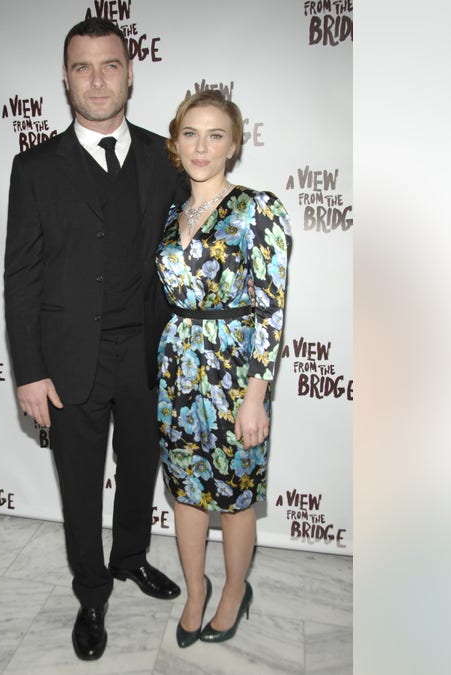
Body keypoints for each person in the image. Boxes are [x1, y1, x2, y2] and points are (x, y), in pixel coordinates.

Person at [3, 17, 184, 662]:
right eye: (83, 67)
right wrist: (28, 370)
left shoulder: (168, 158)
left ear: (131, 72)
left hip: (149, 353)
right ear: (65, 78)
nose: (97, 79)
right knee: (79, 482)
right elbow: (20, 276)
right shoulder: (35, 167)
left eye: (110, 65)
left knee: (140, 469)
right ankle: (91, 590)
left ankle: (130, 556)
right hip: (70, 359)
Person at [154, 89, 292, 647]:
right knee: (186, 491)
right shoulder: (171, 213)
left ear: (234, 144)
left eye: (215, 134)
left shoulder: (259, 209)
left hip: (237, 375)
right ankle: (195, 590)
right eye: (190, 133)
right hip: (178, 371)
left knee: (234, 499)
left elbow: (270, 307)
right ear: (176, 142)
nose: (201, 146)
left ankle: (236, 590)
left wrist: (256, 394)